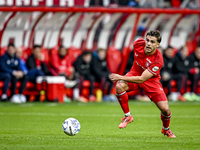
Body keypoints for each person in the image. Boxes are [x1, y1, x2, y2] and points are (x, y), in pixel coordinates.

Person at [109, 30, 176, 138]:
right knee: (119, 86)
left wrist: (120, 76)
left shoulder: (158, 60)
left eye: (153, 42)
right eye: (148, 40)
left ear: (158, 45)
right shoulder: (137, 44)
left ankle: (166, 129)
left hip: (150, 80)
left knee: (165, 110)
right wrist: (123, 78)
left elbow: (142, 79)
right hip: (135, 73)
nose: (149, 43)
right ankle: (128, 116)